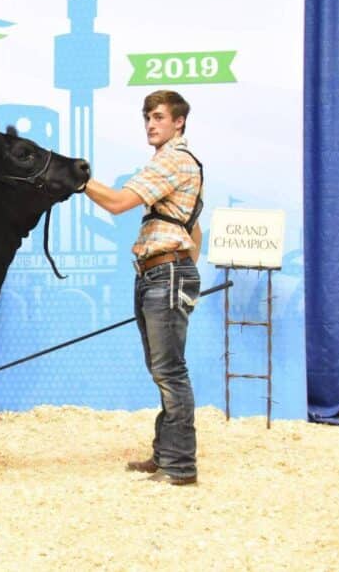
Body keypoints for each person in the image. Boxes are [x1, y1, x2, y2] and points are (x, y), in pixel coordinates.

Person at [84, 89, 203, 486]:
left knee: (170, 372)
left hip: (164, 275)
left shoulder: (173, 160)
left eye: (158, 117)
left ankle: (180, 466)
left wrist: (80, 180)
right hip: (161, 272)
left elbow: (118, 203)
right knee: (163, 369)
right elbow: (193, 225)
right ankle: (166, 454)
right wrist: (186, 267)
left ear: (178, 122)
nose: (151, 124)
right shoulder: (174, 162)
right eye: (147, 118)